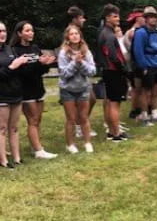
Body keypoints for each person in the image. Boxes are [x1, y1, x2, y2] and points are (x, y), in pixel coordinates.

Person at [10, 21, 58, 158]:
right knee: (32, 119)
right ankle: (38, 151)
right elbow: (22, 72)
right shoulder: (14, 50)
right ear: (19, 33)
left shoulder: (35, 48)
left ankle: (35, 145)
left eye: (32, 30)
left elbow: (40, 70)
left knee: (38, 119)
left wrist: (46, 64)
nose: (31, 33)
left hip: (39, 88)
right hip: (26, 90)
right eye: (27, 31)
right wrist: (39, 64)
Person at [58, 25, 97, 153]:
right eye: (72, 34)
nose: (75, 36)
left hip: (83, 88)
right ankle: (70, 144)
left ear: (80, 36)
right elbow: (64, 74)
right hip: (68, 89)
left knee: (84, 117)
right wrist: (75, 62)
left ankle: (87, 143)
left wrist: (81, 63)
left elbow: (92, 71)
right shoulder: (63, 53)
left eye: (77, 33)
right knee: (71, 118)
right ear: (67, 37)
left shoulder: (87, 51)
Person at [97, 4, 128, 141]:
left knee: (110, 102)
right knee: (115, 103)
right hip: (113, 72)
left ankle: (111, 131)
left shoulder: (103, 32)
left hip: (108, 71)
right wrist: (122, 67)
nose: (118, 19)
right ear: (107, 17)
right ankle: (116, 134)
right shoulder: (108, 35)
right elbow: (113, 55)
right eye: (115, 16)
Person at [0, 22, 28, 167]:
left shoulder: (9, 49)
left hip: (15, 94)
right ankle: (3, 160)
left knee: (14, 127)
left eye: (4, 30)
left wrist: (23, 64)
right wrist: (12, 66)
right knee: (2, 128)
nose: (2, 34)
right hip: (2, 96)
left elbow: (18, 71)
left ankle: (17, 157)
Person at [67, 5, 97, 138]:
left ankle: (81, 123)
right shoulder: (70, 32)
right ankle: (79, 126)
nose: (84, 20)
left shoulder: (79, 32)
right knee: (85, 100)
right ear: (75, 19)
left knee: (92, 99)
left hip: (83, 71)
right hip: (74, 75)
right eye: (81, 18)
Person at [133, 6, 157, 123]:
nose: (153, 19)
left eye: (155, 17)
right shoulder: (141, 33)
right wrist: (143, 66)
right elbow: (138, 51)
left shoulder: (156, 32)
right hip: (147, 65)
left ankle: (155, 113)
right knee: (145, 91)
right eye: (150, 17)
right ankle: (144, 114)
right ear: (146, 19)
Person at [123, 10, 145, 120]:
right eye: (143, 17)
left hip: (134, 63)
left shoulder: (136, 31)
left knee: (138, 88)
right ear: (138, 19)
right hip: (134, 64)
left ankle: (138, 109)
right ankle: (135, 110)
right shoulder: (132, 32)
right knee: (137, 88)